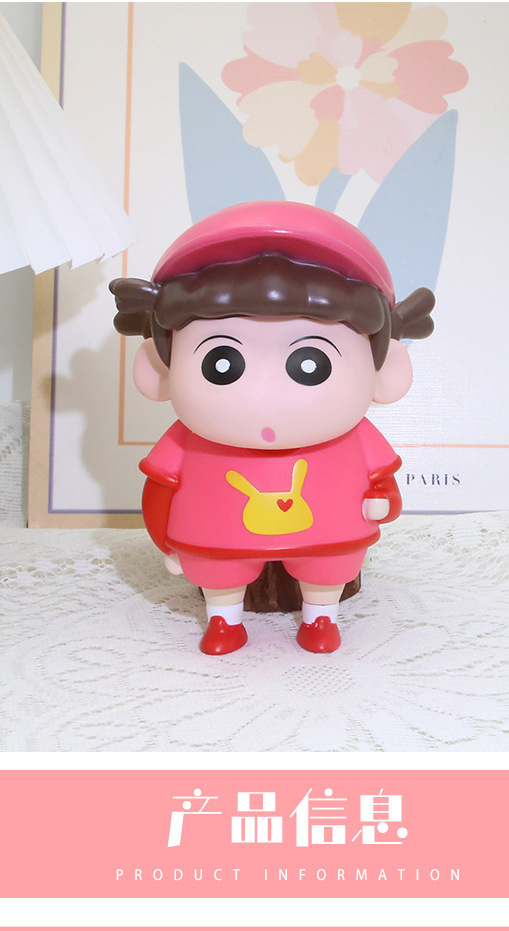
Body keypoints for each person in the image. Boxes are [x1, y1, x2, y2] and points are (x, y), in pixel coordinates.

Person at [110, 201, 434, 654]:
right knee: (219, 574)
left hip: (330, 536)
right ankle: (224, 622)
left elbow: (382, 482)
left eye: (310, 363)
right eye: (222, 363)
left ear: (385, 373)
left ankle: (321, 618)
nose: (265, 396)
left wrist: (385, 500)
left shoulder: (353, 439)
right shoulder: (189, 443)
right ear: (158, 371)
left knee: (327, 570)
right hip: (216, 539)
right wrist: (165, 540)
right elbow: (160, 489)